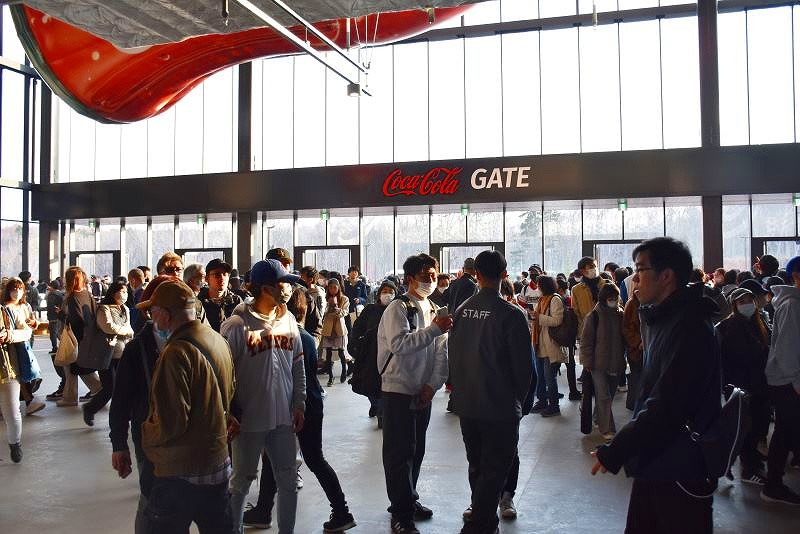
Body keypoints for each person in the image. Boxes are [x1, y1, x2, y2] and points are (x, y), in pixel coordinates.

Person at [591, 237, 721, 533]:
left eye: (640, 269)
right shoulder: (663, 318)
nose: (634, 279)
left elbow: (668, 405)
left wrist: (617, 449)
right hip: (656, 457)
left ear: (666, 276)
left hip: (680, 466)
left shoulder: (689, 327)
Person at [244, 288, 356, 532]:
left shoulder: (288, 336)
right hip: (310, 404)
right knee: (289, 459)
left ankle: (341, 511)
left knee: (305, 459)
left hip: (296, 407)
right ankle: (264, 510)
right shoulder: (304, 336)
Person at [139, 279, 237, 534]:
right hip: (217, 462)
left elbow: (171, 422)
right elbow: (230, 391)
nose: (151, 319)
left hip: (182, 470)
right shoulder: (217, 339)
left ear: (165, 314)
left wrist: (146, 436)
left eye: (153, 312)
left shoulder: (175, 353)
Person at [448, 250, 533, 534]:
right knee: (496, 469)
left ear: (477, 275)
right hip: (499, 406)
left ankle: (482, 517)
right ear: (505, 275)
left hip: (467, 404)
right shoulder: (511, 314)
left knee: (476, 464)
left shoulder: (462, 311)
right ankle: (479, 526)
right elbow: (523, 368)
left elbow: (453, 357)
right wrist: (518, 402)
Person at [220, 259, 305, 534]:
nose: (288, 289)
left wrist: (300, 401)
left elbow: (298, 364)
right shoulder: (236, 325)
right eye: (284, 283)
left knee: (288, 481)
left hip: (284, 417)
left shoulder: (288, 320)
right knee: (241, 482)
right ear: (266, 288)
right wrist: (228, 412)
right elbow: (221, 374)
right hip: (248, 420)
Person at [377, 253, 451, 534]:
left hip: (423, 391)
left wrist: (433, 384)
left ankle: (409, 498)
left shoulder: (434, 308)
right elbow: (399, 345)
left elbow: (441, 351)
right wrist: (433, 330)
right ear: (409, 278)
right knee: (399, 454)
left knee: (417, 450)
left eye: (433, 275)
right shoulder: (398, 308)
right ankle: (401, 513)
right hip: (398, 390)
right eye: (424, 276)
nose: (430, 280)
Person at [110, 276, 173, 534]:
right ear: (151, 309)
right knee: (152, 497)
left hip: (189, 438)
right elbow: (121, 400)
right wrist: (119, 444)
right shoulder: (137, 349)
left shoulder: (195, 342)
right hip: (149, 435)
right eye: (164, 307)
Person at [715, 287, 770, 485]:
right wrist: (764, 350)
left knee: (757, 424)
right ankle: (748, 469)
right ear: (734, 306)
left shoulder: (757, 321)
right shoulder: (732, 326)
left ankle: (752, 458)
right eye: (741, 302)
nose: (747, 305)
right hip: (742, 385)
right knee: (747, 427)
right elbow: (742, 355)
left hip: (757, 382)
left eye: (749, 300)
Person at [761, 255, 800, 505]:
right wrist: (797, 382)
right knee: (785, 431)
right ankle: (773, 484)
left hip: (791, 379)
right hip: (787, 381)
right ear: (796, 276)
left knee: (789, 429)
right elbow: (786, 350)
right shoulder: (792, 305)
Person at [82, 281, 134, 426]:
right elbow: (108, 327)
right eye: (122, 291)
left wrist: (126, 331)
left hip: (123, 353)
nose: (125, 294)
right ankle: (90, 408)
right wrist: (126, 331)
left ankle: (125, 414)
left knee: (124, 386)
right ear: (113, 293)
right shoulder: (103, 309)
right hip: (107, 354)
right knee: (110, 388)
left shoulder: (125, 309)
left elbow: (129, 328)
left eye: (126, 292)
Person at [579, 283, 626, 440]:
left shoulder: (620, 314)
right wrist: (587, 362)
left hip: (615, 362)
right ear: (604, 298)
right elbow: (586, 342)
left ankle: (597, 418)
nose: (614, 301)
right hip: (597, 364)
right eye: (611, 298)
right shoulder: (594, 316)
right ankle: (607, 429)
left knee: (608, 396)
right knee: (604, 396)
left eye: (616, 298)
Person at [349, 280, 398, 426]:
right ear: (379, 294)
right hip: (370, 352)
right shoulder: (370, 309)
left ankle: (381, 412)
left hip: (391, 354)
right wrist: (355, 344)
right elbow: (358, 327)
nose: (387, 294)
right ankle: (376, 405)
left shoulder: (398, 310)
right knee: (370, 382)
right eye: (385, 291)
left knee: (384, 384)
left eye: (391, 292)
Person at [57, 266, 102, 407]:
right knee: (80, 367)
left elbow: (76, 320)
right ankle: (98, 390)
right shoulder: (87, 294)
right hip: (89, 336)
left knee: (72, 366)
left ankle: (71, 397)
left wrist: (61, 315)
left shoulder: (72, 297)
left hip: (76, 338)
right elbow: (94, 313)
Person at [530, 275, 567, 417]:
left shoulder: (555, 299)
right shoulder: (542, 299)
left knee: (549, 377)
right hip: (540, 343)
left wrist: (538, 317)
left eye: (539, 286)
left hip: (551, 343)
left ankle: (554, 405)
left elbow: (557, 320)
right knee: (541, 376)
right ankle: (542, 401)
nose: (537, 288)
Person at [197, 258, 242, 333]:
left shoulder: (236, 301)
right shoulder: (199, 302)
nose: (222, 278)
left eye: (225, 274)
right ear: (207, 279)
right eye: (217, 275)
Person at [321, 278, 349, 387]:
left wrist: (338, 309)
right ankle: (330, 376)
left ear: (338, 288)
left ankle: (344, 371)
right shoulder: (324, 298)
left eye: (335, 287)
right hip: (328, 328)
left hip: (339, 328)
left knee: (341, 352)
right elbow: (322, 312)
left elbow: (345, 312)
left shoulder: (344, 298)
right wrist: (328, 307)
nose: (332, 289)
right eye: (330, 287)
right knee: (328, 354)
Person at [622, 285, 644, 411]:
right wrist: (639, 342)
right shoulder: (631, 304)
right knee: (636, 377)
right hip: (636, 350)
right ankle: (634, 404)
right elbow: (626, 329)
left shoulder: (653, 302)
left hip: (648, 348)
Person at [44, 279, 67, 400]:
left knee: (54, 334)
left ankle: (54, 347)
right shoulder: (63, 294)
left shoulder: (52, 295)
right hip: (62, 322)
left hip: (56, 319)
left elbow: (51, 307)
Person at [299, 266, 324, 344]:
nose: (300, 279)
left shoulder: (317, 294)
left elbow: (319, 313)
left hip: (312, 330)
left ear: (310, 279)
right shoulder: (305, 290)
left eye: (302, 277)